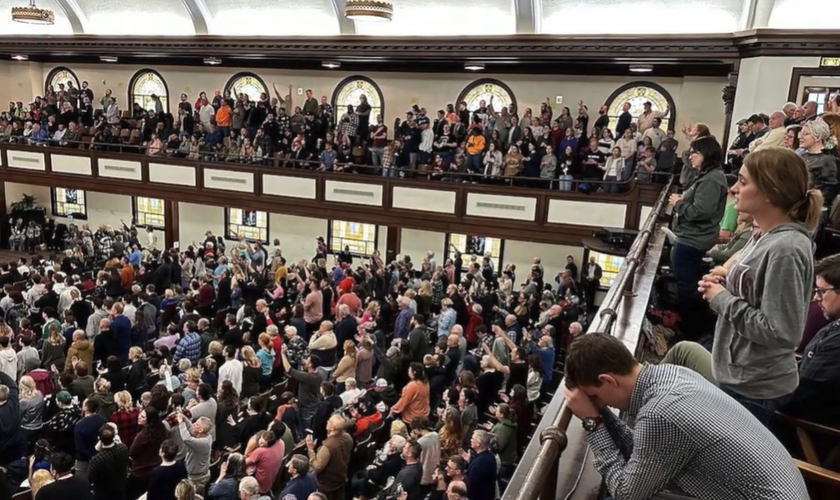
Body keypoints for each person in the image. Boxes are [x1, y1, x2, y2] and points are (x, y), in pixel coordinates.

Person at [563, 333, 808, 500]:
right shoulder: (672, 374)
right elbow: (641, 452)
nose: (600, 403)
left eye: (597, 396)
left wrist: (593, 423)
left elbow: (627, 493)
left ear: (607, 380)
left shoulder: (660, 412)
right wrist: (601, 413)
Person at [700, 148, 823, 425]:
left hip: (754, 388)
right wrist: (723, 284)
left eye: (743, 182)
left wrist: (721, 299)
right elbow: (754, 293)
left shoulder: (787, 248)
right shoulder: (765, 237)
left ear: (770, 191)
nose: (734, 189)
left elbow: (782, 333)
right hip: (738, 376)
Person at [669, 136, 727, 314]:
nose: (691, 156)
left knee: (687, 287)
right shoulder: (707, 176)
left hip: (693, 240)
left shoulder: (711, 179)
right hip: (691, 237)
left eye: (695, 152)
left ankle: (687, 324)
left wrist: (679, 203)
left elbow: (701, 212)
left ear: (707, 155)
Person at [306, 414, 353, 500]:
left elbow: (317, 467)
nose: (327, 421)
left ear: (332, 428)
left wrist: (311, 450)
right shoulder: (348, 437)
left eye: (330, 421)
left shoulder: (327, 447)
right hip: (341, 478)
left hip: (327, 485)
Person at [88, 423, 130, 500]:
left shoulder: (97, 459)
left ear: (99, 438)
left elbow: (90, 478)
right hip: (121, 487)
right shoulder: (123, 447)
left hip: (104, 493)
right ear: (114, 437)